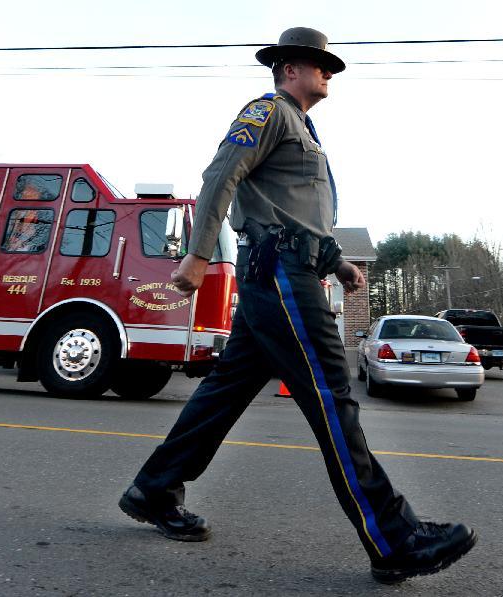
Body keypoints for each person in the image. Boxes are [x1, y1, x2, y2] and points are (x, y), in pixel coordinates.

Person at [118, 27, 476, 583]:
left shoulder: (306, 131)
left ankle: (154, 489)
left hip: (288, 273)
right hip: (282, 277)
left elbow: (300, 217)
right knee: (334, 399)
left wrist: (339, 264)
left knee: (223, 392)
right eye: (318, 63)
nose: (327, 72)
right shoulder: (269, 113)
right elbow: (220, 177)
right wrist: (197, 255)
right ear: (289, 68)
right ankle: (394, 538)